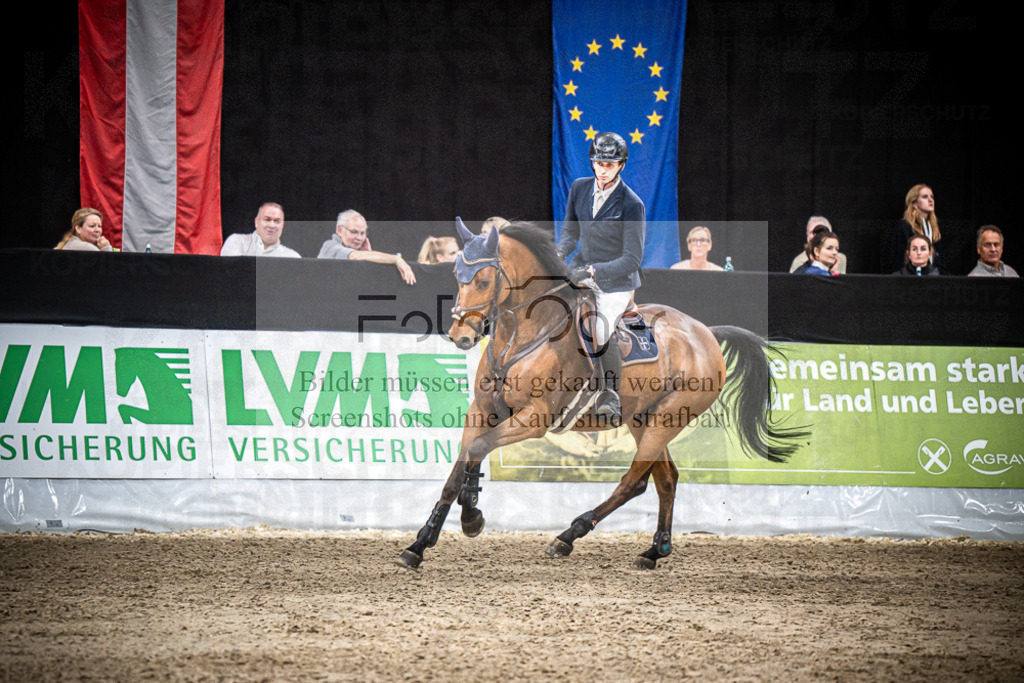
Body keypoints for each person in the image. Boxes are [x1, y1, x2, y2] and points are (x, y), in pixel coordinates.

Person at [556, 131, 645, 422]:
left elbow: (632, 259)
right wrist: (558, 255)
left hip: (616, 282)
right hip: (581, 270)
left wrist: (596, 270)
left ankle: (610, 394)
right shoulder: (579, 188)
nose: (603, 170)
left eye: (609, 165)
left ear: (621, 165)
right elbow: (570, 233)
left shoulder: (631, 203)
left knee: (602, 329)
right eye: (598, 163)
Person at [318, 209, 416, 284]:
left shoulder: (355, 251)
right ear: (340, 230)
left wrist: (368, 257)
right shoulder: (330, 247)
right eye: (354, 232)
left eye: (362, 233)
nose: (359, 238)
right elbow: (354, 256)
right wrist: (397, 259)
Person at [887, 184, 944, 274]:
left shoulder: (933, 228)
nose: (930, 200)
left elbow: (939, 262)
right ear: (914, 203)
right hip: (910, 278)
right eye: (925, 197)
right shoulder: (905, 227)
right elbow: (899, 260)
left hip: (932, 276)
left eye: (932, 197)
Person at [221, 202, 300, 258]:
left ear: (282, 226)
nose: (272, 225)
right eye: (267, 219)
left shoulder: (292, 257)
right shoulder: (236, 242)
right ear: (256, 222)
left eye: (277, 221)